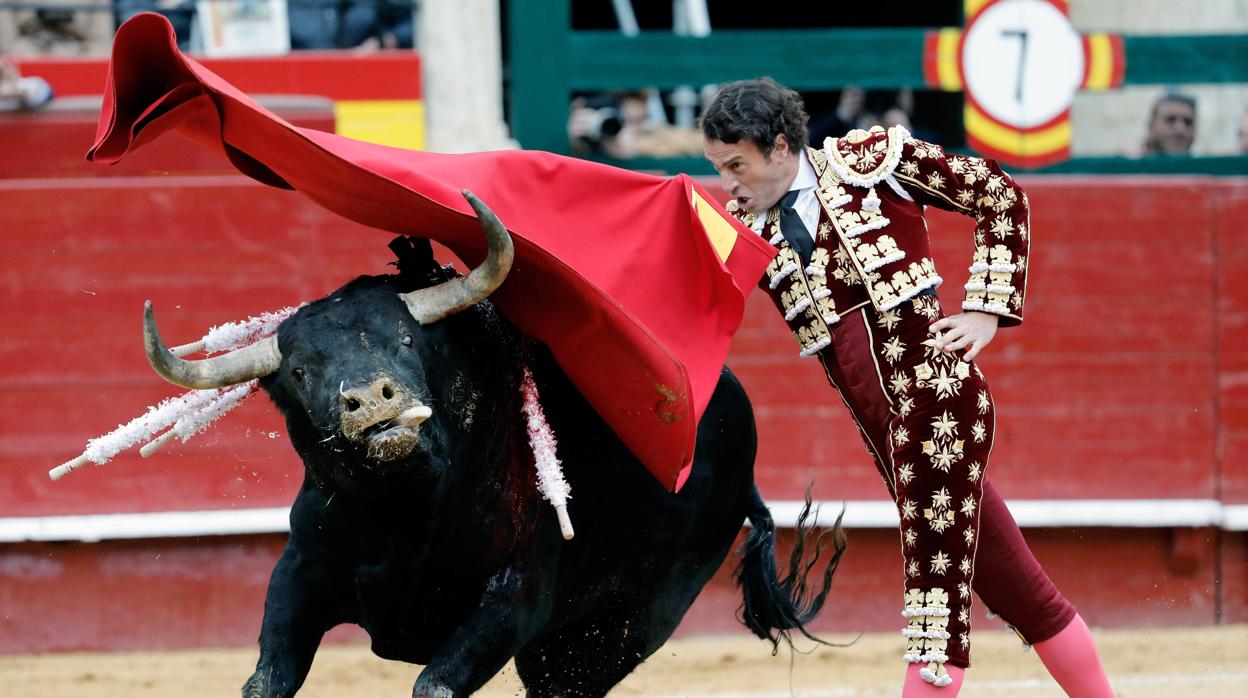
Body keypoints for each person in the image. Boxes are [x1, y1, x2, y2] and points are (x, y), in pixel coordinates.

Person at [701, 78, 1114, 696]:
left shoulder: (870, 164)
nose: (728, 183)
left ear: (781, 146)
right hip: (887, 435)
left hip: (940, 408)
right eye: (718, 168)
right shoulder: (746, 227)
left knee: (935, 610)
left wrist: (985, 309)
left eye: (737, 165)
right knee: (1019, 590)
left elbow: (998, 196)